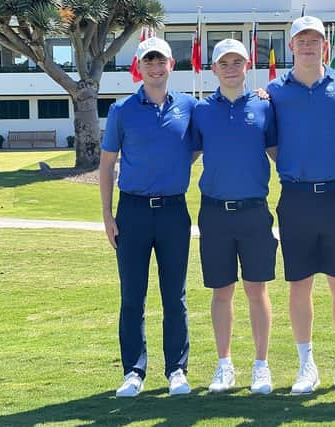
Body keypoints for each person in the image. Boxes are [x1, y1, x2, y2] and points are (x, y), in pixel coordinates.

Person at [266, 15, 335, 395]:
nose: (308, 46)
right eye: (301, 41)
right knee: (299, 285)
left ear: (326, 45)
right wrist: (298, 167)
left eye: (315, 40)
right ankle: (307, 366)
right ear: (291, 46)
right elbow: (272, 144)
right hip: (296, 197)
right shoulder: (274, 91)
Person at [99, 37, 195, 398]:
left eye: (161, 62)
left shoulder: (188, 106)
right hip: (133, 212)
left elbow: (197, 145)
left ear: (172, 65)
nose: (155, 68)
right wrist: (107, 215)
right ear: (139, 67)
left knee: (175, 296)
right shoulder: (122, 110)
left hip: (173, 211)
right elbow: (107, 163)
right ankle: (133, 371)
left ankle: (177, 370)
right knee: (132, 296)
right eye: (148, 62)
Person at [190, 39, 278, 395]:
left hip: (254, 211)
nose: (230, 68)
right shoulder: (200, 111)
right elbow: (185, 153)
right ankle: (224, 365)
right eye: (223, 63)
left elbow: (278, 152)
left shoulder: (265, 107)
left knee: (257, 291)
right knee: (221, 292)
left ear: (247, 66)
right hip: (214, 213)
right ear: (214, 69)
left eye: (236, 62)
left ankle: (261, 366)